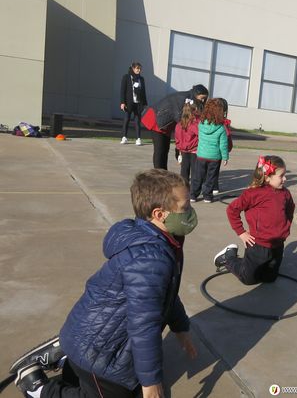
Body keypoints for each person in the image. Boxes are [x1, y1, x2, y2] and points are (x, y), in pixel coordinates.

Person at [11, 169, 198, 398]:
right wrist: (151, 381)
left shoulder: (163, 240)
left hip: (98, 333)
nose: (190, 212)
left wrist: (180, 327)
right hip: (96, 348)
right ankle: (37, 389)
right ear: (159, 214)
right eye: (185, 207)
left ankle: (66, 357)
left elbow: (166, 294)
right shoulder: (151, 259)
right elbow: (144, 324)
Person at [214, 155, 295, 285]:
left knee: (270, 278)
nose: (285, 179)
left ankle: (251, 265)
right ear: (267, 177)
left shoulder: (285, 193)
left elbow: (290, 209)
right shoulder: (253, 193)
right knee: (248, 279)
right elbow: (232, 210)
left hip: (278, 245)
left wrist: (286, 226)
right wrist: (241, 232)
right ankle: (228, 257)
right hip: (258, 245)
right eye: (281, 176)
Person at [141, 84, 208, 170]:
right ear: (195, 94)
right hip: (157, 119)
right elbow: (181, 120)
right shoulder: (181, 98)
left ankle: (164, 172)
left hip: (167, 124)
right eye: (202, 98)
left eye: (205, 98)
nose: (203, 100)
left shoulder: (194, 100)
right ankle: (158, 174)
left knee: (165, 149)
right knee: (160, 149)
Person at [189, 99, 228, 203]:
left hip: (201, 155)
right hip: (215, 157)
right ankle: (207, 196)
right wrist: (225, 157)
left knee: (198, 176)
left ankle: (193, 195)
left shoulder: (201, 125)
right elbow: (223, 145)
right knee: (211, 177)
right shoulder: (221, 128)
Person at [119, 62, 147, 146]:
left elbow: (143, 92)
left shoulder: (141, 79)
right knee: (126, 120)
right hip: (129, 103)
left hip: (138, 103)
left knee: (137, 121)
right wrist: (122, 102)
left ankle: (138, 139)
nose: (139, 70)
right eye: (137, 68)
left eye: (140, 69)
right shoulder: (126, 77)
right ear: (133, 68)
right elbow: (122, 91)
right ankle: (124, 137)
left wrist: (145, 103)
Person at [174, 101, 200, 183]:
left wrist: (178, 147)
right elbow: (200, 134)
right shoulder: (194, 124)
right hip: (194, 150)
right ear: (194, 111)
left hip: (183, 150)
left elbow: (177, 138)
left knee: (184, 170)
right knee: (195, 171)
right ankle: (194, 187)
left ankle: (184, 186)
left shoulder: (179, 124)